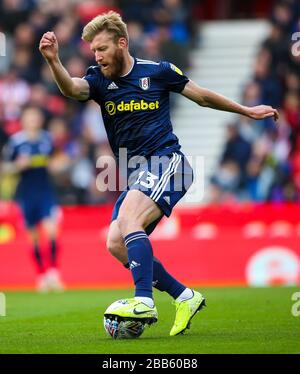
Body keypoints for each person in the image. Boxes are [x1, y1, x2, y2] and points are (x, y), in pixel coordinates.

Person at [39, 11, 278, 336]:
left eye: (103, 48)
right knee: (116, 243)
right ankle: (184, 295)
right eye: (94, 51)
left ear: (122, 43)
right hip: (139, 173)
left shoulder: (159, 71)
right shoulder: (98, 79)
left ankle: (144, 300)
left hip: (169, 163)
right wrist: (54, 61)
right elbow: (70, 88)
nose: (97, 56)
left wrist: (246, 110)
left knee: (128, 220)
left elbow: (203, 96)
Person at [2, 105, 64, 293]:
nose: (33, 120)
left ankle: (53, 272)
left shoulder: (47, 138)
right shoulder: (15, 142)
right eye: (29, 117)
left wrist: (57, 165)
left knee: (51, 230)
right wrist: (17, 166)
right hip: (26, 194)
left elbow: (60, 159)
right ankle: (41, 275)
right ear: (23, 120)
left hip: (46, 192)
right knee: (34, 238)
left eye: (36, 117)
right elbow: (5, 167)